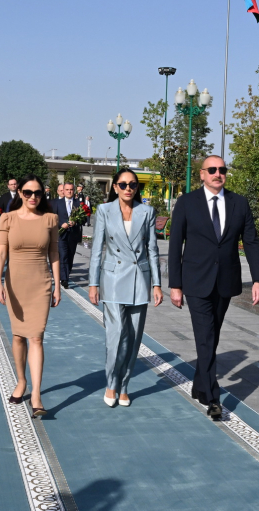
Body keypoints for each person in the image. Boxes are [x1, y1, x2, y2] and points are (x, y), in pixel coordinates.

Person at [168, 155, 259, 420]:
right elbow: (176, 244)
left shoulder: (239, 203)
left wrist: (258, 279)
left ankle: (200, 386)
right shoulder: (187, 203)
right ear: (201, 174)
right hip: (195, 281)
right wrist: (175, 284)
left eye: (222, 169)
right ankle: (212, 396)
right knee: (205, 336)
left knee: (212, 335)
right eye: (212, 169)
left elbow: (252, 242)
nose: (217, 173)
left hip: (225, 281)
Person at [89, 169, 163, 407]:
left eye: (133, 184)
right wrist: (93, 283)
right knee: (116, 335)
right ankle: (111, 382)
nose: (128, 188)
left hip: (139, 280)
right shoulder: (104, 211)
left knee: (133, 337)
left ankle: (124, 385)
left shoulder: (147, 212)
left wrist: (157, 284)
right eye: (123, 184)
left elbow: (152, 249)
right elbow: (97, 249)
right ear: (115, 187)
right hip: (112, 279)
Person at [0, 175, 60, 418]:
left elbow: (53, 253)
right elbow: (1, 253)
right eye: (28, 192)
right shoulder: (7, 218)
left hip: (40, 283)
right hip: (15, 283)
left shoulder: (51, 219)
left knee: (37, 337)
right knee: (19, 336)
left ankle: (36, 395)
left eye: (38, 193)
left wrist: (57, 285)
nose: (33, 197)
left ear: (43, 195)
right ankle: (21, 381)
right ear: (20, 192)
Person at [52, 182, 86, 287]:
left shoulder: (78, 204)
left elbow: (84, 219)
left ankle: (66, 274)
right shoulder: (57, 203)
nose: (69, 191)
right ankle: (64, 279)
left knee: (70, 256)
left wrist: (76, 222)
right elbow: (52, 218)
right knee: (63, 256)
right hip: (61, 235)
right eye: (67, 189)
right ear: (63, 190)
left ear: (73, 190)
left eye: (71, 189)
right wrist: (60, 225)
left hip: (73, 234)